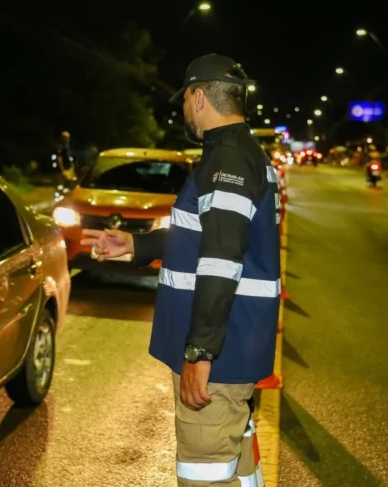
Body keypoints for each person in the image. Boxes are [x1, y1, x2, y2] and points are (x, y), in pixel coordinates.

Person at [81, 54, 280, 486]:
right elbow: (208, 237)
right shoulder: (236, 154)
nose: (185, 110)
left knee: (204, 472)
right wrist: (139, 245)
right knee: (235, 464)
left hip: (220, 357)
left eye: (185, 100)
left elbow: (221, 260)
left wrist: (200, 352)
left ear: (198, 96)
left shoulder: (227, 160)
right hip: (234, 349)